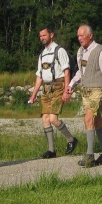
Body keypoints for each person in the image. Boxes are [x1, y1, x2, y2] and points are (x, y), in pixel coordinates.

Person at [63, 25, 102, 167]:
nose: (79, 38)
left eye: (82, 35)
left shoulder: (100, 51)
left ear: (90, 35)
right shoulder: (81, 52)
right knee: (97, 121)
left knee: (88, 118)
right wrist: (71, 85)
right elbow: (81, 73)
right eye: (78, 36)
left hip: (98, 90)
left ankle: (89, 155)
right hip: (86, 90)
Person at [28, 26, 78, 159]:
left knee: (53, 119)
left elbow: (66, 71)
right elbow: (39, 76)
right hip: (46, 88)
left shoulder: (59, 51)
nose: (42, 38)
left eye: (44, 35)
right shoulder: (42, 54)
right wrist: (33, 95)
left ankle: (71, 139)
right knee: (45, 118)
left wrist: (67, 90)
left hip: (58, 87)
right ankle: (51, 150)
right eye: (40, 36)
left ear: (51, 35)